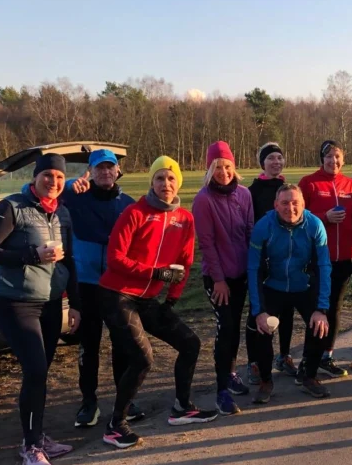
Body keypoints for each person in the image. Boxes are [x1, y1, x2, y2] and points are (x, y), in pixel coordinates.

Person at [0, 152, 80, 465]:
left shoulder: (62, 213)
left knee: (40, 373)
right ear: (36, 177)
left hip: (50, 301)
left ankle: (39, 437)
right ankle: (30, 447)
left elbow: (70, 261)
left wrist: (74, 302)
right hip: (15, 303)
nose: (53, 182)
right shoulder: (11, 207)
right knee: (35, 369)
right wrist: (31, 254)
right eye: (48, 175)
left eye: (60, 178)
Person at [98, 156, 207, 448]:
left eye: (171, 179)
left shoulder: (185, 218)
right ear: (151, 182)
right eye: (160, 179)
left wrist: (172, 298)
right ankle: (115, 425)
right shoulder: (135, 212)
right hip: (117, 294)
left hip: (148, 298)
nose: (166, 184)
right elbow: (115, 259)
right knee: (143, 358)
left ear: (178, 182)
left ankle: (182, 407)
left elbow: (184, 261)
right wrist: (154, 273)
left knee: (190, 343)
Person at [61, 148, 137, 428]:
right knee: (89, 346)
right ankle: (88, 402)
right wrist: (69, 185)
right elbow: (33, 190)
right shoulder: (74, 198)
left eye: (110, 167)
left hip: (117, 285)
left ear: (118, 171)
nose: (105, 172)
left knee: (122, 344)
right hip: (87, 284)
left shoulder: (127, 204)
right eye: (99, 168)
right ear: (90, 172)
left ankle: (124, 399)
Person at [248, 184, 332, 401]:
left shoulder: (315, 225)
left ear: (303, 204)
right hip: (273, 286)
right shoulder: (263, 226)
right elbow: (253, 268)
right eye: (285, 203)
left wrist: (321, 308)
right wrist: (259, 311)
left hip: (304, 286)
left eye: (295, 203)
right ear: (276, 205)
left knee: (321, 325)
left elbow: (324, 266)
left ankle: (309, 376)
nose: (290, 208)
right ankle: (266, 380)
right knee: (261, 329)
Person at [193, 141, 254, 416]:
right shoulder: (203, 199)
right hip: (218, 277)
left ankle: (230, 373)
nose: (224, 172)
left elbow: (250, 232)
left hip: (241, 273)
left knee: (235, 327)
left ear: (234, 167)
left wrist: (253, 271)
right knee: (225, 327)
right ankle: (221, 392)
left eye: (227, 166)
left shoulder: (244, 194)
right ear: (210, 169)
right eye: (218, 167)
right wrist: (219, 279)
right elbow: (206, 243)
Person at [299, 140, 352, 375]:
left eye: (337, 156)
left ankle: (326, 356)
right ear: (321, 159)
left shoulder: (350, 185)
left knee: (335, 308)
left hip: (344, 258)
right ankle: (309, 359)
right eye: (328, 156)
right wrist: (325, 216)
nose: (333, 161)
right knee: (317, 310)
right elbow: (299, 218)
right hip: (316, 259)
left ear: (343, 159)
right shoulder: (308, 183)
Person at [246, 142, 297, 382]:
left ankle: (284, 355)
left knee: (286, 311)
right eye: (270, 159)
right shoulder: (252, 191)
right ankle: (254, 361)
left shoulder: (287, 188)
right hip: (261, 260)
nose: (276, 162)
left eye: (279, 157)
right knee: (257, 312)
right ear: (262, 163)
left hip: (284, 261)